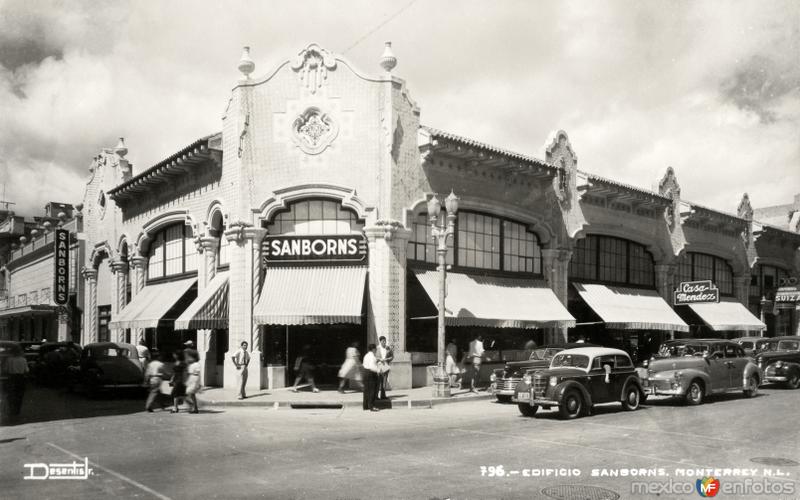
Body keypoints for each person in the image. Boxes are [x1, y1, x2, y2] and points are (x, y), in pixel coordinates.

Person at [2, 345, 29, 419]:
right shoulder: (23, 360)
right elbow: (26, 370)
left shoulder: (9, 359)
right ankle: (17, 411)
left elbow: (5, 369)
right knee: (19, 395)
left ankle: (11, 410)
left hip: (11, 378)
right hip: (20, 378)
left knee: (11, 395)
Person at [361, 344, 379, 412]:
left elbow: (365, 364)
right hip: (371, 374)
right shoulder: (372, 356)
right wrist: (378, 370)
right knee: (372, 390)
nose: (376, 350)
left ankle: (365, 406)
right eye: (376, 349)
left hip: (365, 373)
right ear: (373, 349)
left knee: (366, 390)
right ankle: (372, 406)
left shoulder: (366, 355)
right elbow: (372, 367)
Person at [376, 336, 394, 400]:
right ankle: (376, 396)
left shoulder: (388, 348)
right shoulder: (377, 348)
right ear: (380, 341)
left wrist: (387, 359)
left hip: (385, 366)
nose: (384, 342)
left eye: (385, 341)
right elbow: (374, 358)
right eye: (383, 341)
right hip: (379, 366)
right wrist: (379, 359)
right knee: (378, 381)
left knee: (384, 381)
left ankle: (383, 395)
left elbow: (392, 357)